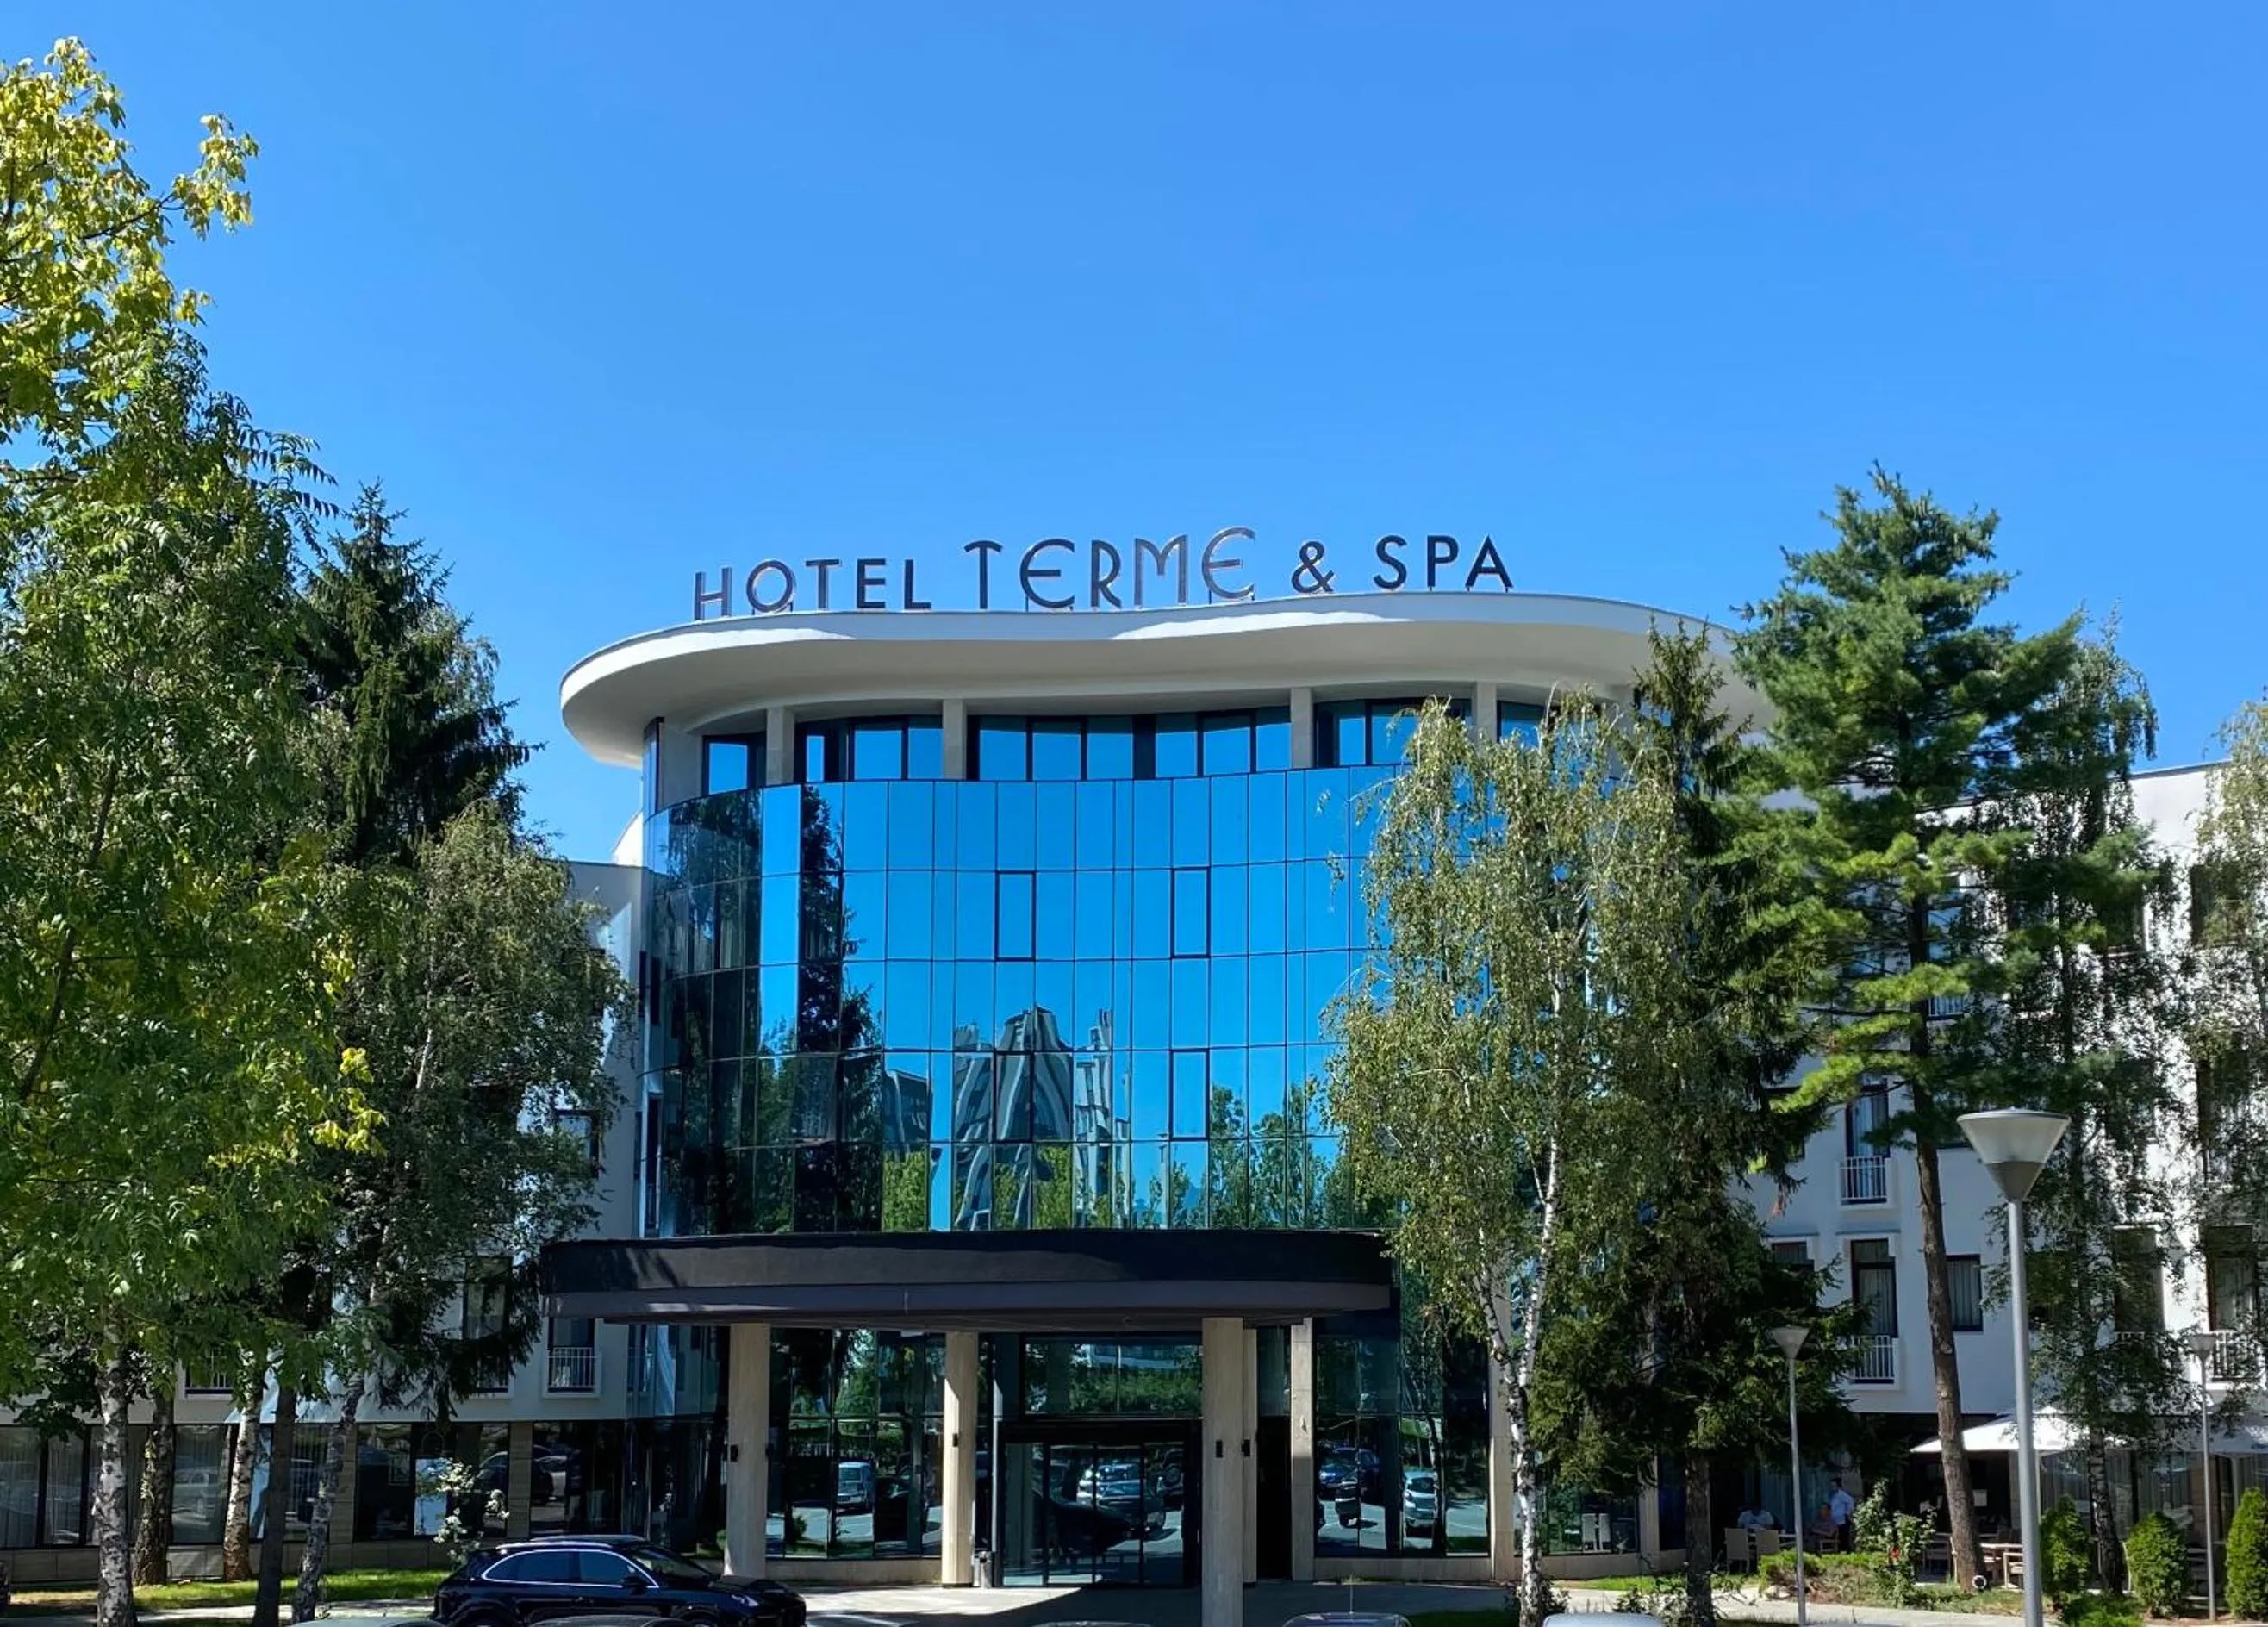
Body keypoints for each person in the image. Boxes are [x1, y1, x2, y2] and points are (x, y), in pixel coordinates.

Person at [1829, 1483, 1857, 1551]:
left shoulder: (1842, 1494)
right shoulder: (1834, 1495)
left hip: (1842, 1519)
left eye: (1833, 1486)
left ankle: (1846, 1550)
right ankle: (1841, 1549)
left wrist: (1847, 1512)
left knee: (1844, 1535)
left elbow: (1850, 1501)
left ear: (1838, 1486)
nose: (1832, 1487)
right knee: (1839, 1535)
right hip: (1837, 1520)